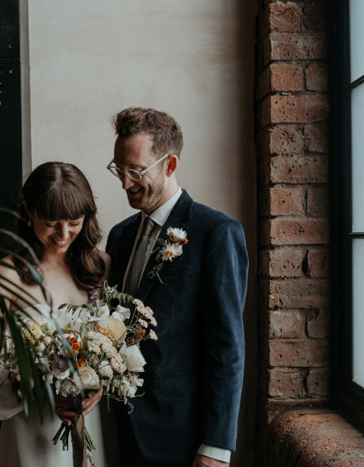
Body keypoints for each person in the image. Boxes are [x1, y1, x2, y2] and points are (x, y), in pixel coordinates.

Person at [105, 107, 248, 466]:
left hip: (181, 436)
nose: (125, 183)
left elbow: (227, 346)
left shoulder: (216, 233)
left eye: (136, 171)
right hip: (118, 431)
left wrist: (216, 445)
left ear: (169, 165)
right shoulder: (119, 236)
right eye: (118, 170)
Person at [0, 161, 118, 467]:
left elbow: (115, 346)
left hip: (94, 422)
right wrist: (41, 391)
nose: (63, 233)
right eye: (51, 222)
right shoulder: (4, 275)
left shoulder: (101, 267)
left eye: (74, 221)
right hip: (32, 429)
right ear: (27, 210)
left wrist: (99, 386)